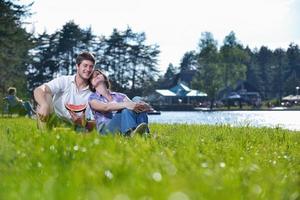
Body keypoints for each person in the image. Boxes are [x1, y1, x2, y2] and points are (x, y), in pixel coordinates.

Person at [33, 52, 96, 131]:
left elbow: (96, 122)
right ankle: (44, 136)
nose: (88, 69)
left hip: (78, 126)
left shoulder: (94, 92)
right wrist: (44, 105)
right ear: (77, 66)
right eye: (85, 65)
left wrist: (83, 122)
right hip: (55, 120)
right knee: (44, 96)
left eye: (91, 67)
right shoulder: (64, 81)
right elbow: (39, 90)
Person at [88, 69, 151, 136]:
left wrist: (144, 106)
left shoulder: (120, 96)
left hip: (122, 126)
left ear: (104, 78)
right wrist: (126, 105)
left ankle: (143, 133)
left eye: (97, 74)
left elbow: (134, 107)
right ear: (92, 85)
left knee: (136, 99)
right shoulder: (92, 98)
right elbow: (105, 107)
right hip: (106, 130)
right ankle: (130, 133)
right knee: (126, 108)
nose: (95, 76)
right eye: (92, 77)